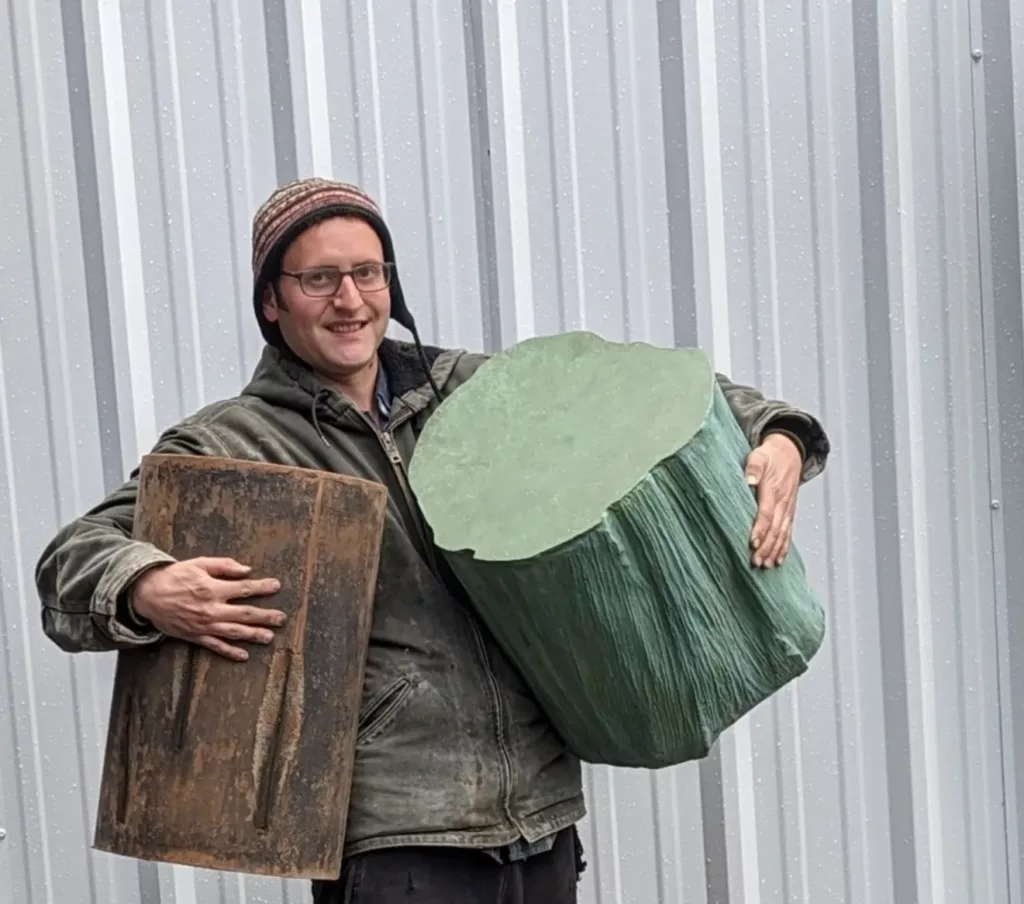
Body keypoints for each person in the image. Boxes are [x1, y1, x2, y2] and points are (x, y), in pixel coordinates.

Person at [35, 177, 830, 904]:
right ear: (271, 301)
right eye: (319, 279)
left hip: (541, 820)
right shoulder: (232, 442)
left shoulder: (477, 394)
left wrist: (780, 435)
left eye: (369, 273)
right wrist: (144, 586)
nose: (350, 300)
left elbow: (658, 393)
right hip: (398, 843)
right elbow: (72, 558)